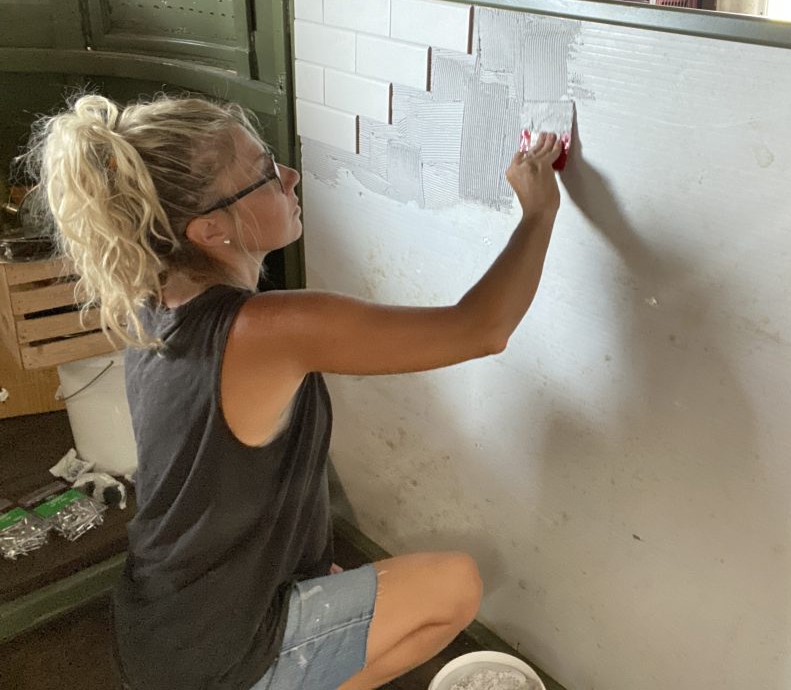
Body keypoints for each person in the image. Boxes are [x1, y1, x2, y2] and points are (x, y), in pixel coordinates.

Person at [25, 93, 563, 690]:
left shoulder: (149, 302)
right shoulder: (266, 330)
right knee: (455, 585)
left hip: (160, 631)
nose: (290, 176)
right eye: (263, 175)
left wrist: (306, 571)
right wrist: (538, 214)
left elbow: (220, 485)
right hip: (215, 656)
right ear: (210, 229)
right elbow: (481, 329)